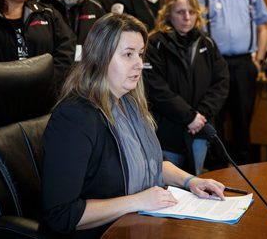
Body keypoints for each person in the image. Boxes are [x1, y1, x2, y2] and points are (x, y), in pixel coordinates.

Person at [40, 13, 226, 238]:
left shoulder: (129, 104)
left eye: (140, 54)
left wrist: (191, 181)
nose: (139, 64)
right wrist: (138, 200)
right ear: (100, 58)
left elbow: (153, 162)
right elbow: (61, 214)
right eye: (128, 55)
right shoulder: (75, 118)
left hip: (136, 225)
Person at [196, 0, 267, 164]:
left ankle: (243, 164)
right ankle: (219, 164)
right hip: (214, 64)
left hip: (243, 63)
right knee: (216, 116)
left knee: (243, 116)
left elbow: (262, 28)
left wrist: (259, 59)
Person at [144, 0, 229, 175]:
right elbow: (156, 88)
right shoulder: (155, 43)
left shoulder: (207, 43)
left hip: (199, 128)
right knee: (169, 187)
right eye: (180, 12)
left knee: (195, 183)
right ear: (168, 14)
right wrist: (188, 116)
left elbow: (221, 82)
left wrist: (200, 116)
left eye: (191, 12)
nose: (187, 17)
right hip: (168, 130)